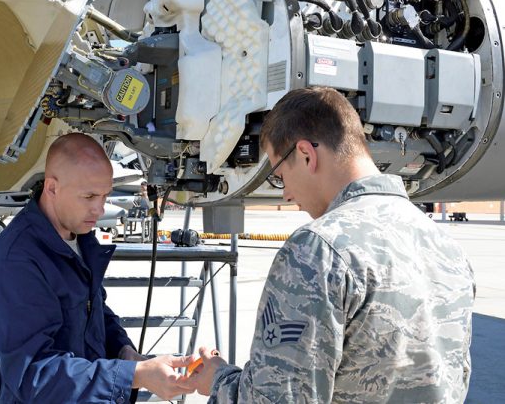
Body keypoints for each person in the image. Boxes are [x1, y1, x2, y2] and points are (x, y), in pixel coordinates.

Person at [187, 87, 475, 403]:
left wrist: (219, 380)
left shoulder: (319, 249)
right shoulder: (446, 247)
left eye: (280, 175)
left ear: (307, 154)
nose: (285, 194)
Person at [0, 133, 195, 403]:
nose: (100, 209)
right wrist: (132, 375)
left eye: (104, 196)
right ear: (52, 188)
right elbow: (34, 376)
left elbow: (94, 312)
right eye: (89, 196)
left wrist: (124, 352)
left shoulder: (75, 239)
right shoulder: (14, 266)